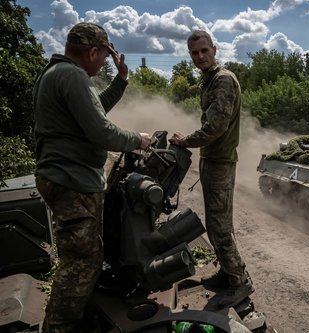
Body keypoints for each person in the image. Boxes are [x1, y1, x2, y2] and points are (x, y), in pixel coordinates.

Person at [33, 22, 152, 332]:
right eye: (104, 56)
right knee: (81, 263)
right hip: (72, 182)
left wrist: (122, 79)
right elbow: (100, 130)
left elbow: (94, 110)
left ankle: (77, 319)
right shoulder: (73, 76)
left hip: (63, 178)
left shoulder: (56, 73)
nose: (104, 63)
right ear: (93, 51)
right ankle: (59, 326)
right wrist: (136, 139)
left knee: (86, 256)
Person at [169, 30, 253, 308]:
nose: (200, 57)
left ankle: (239, 282)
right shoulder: (210, 81)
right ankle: (228, 273)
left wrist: (186, 141)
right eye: (194, 53)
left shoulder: (223, 80)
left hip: (220, 161)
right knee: (217, 223)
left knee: (219, 227)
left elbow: (216, 126)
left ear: (214, 50)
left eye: (204, 51)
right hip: (213, 160)